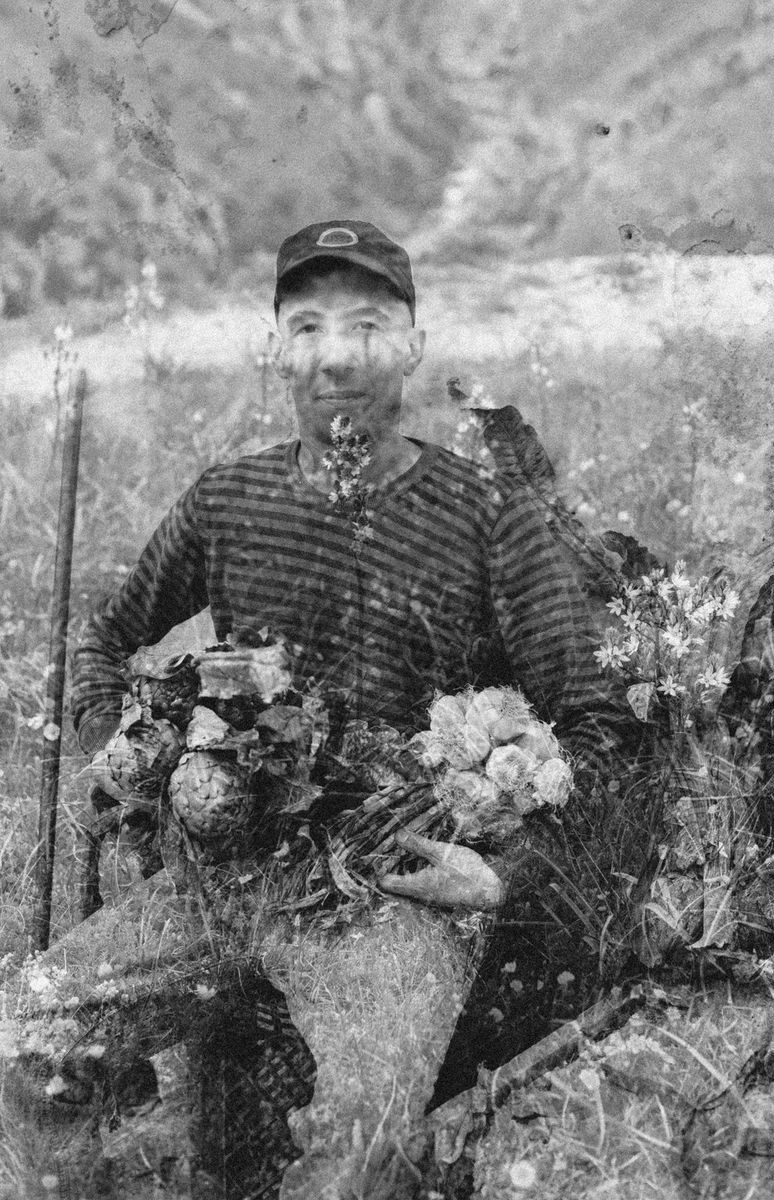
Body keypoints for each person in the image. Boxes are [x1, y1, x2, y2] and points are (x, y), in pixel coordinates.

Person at [65, 219, 630, 1196]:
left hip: (394, 895)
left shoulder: (490, 518)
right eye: (309, 325)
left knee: (358, 1152)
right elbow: (100, 648)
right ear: (276, 346)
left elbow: (599, 724)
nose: (337, 355)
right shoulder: (228, 503)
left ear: (411, 345)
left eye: (367, 325)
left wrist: (505, 875)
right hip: (222, 878)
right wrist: (133, 767)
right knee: (25, 1045)